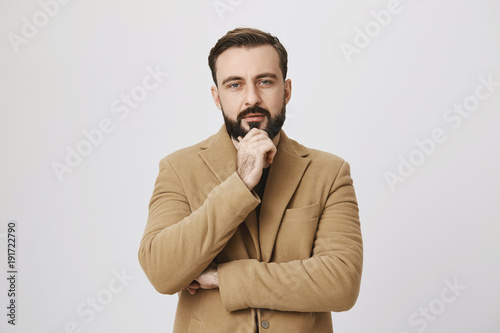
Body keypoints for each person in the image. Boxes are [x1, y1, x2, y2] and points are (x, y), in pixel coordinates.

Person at [138, 27, 363, 333]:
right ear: (217, 97)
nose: (252, 98)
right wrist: (240, 183)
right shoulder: (178, 168)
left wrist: (225, 278)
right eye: (235, 85)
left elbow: (341, 283)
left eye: (265, 81)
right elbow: (162, 271)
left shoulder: (330, 172)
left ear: (286, 91)